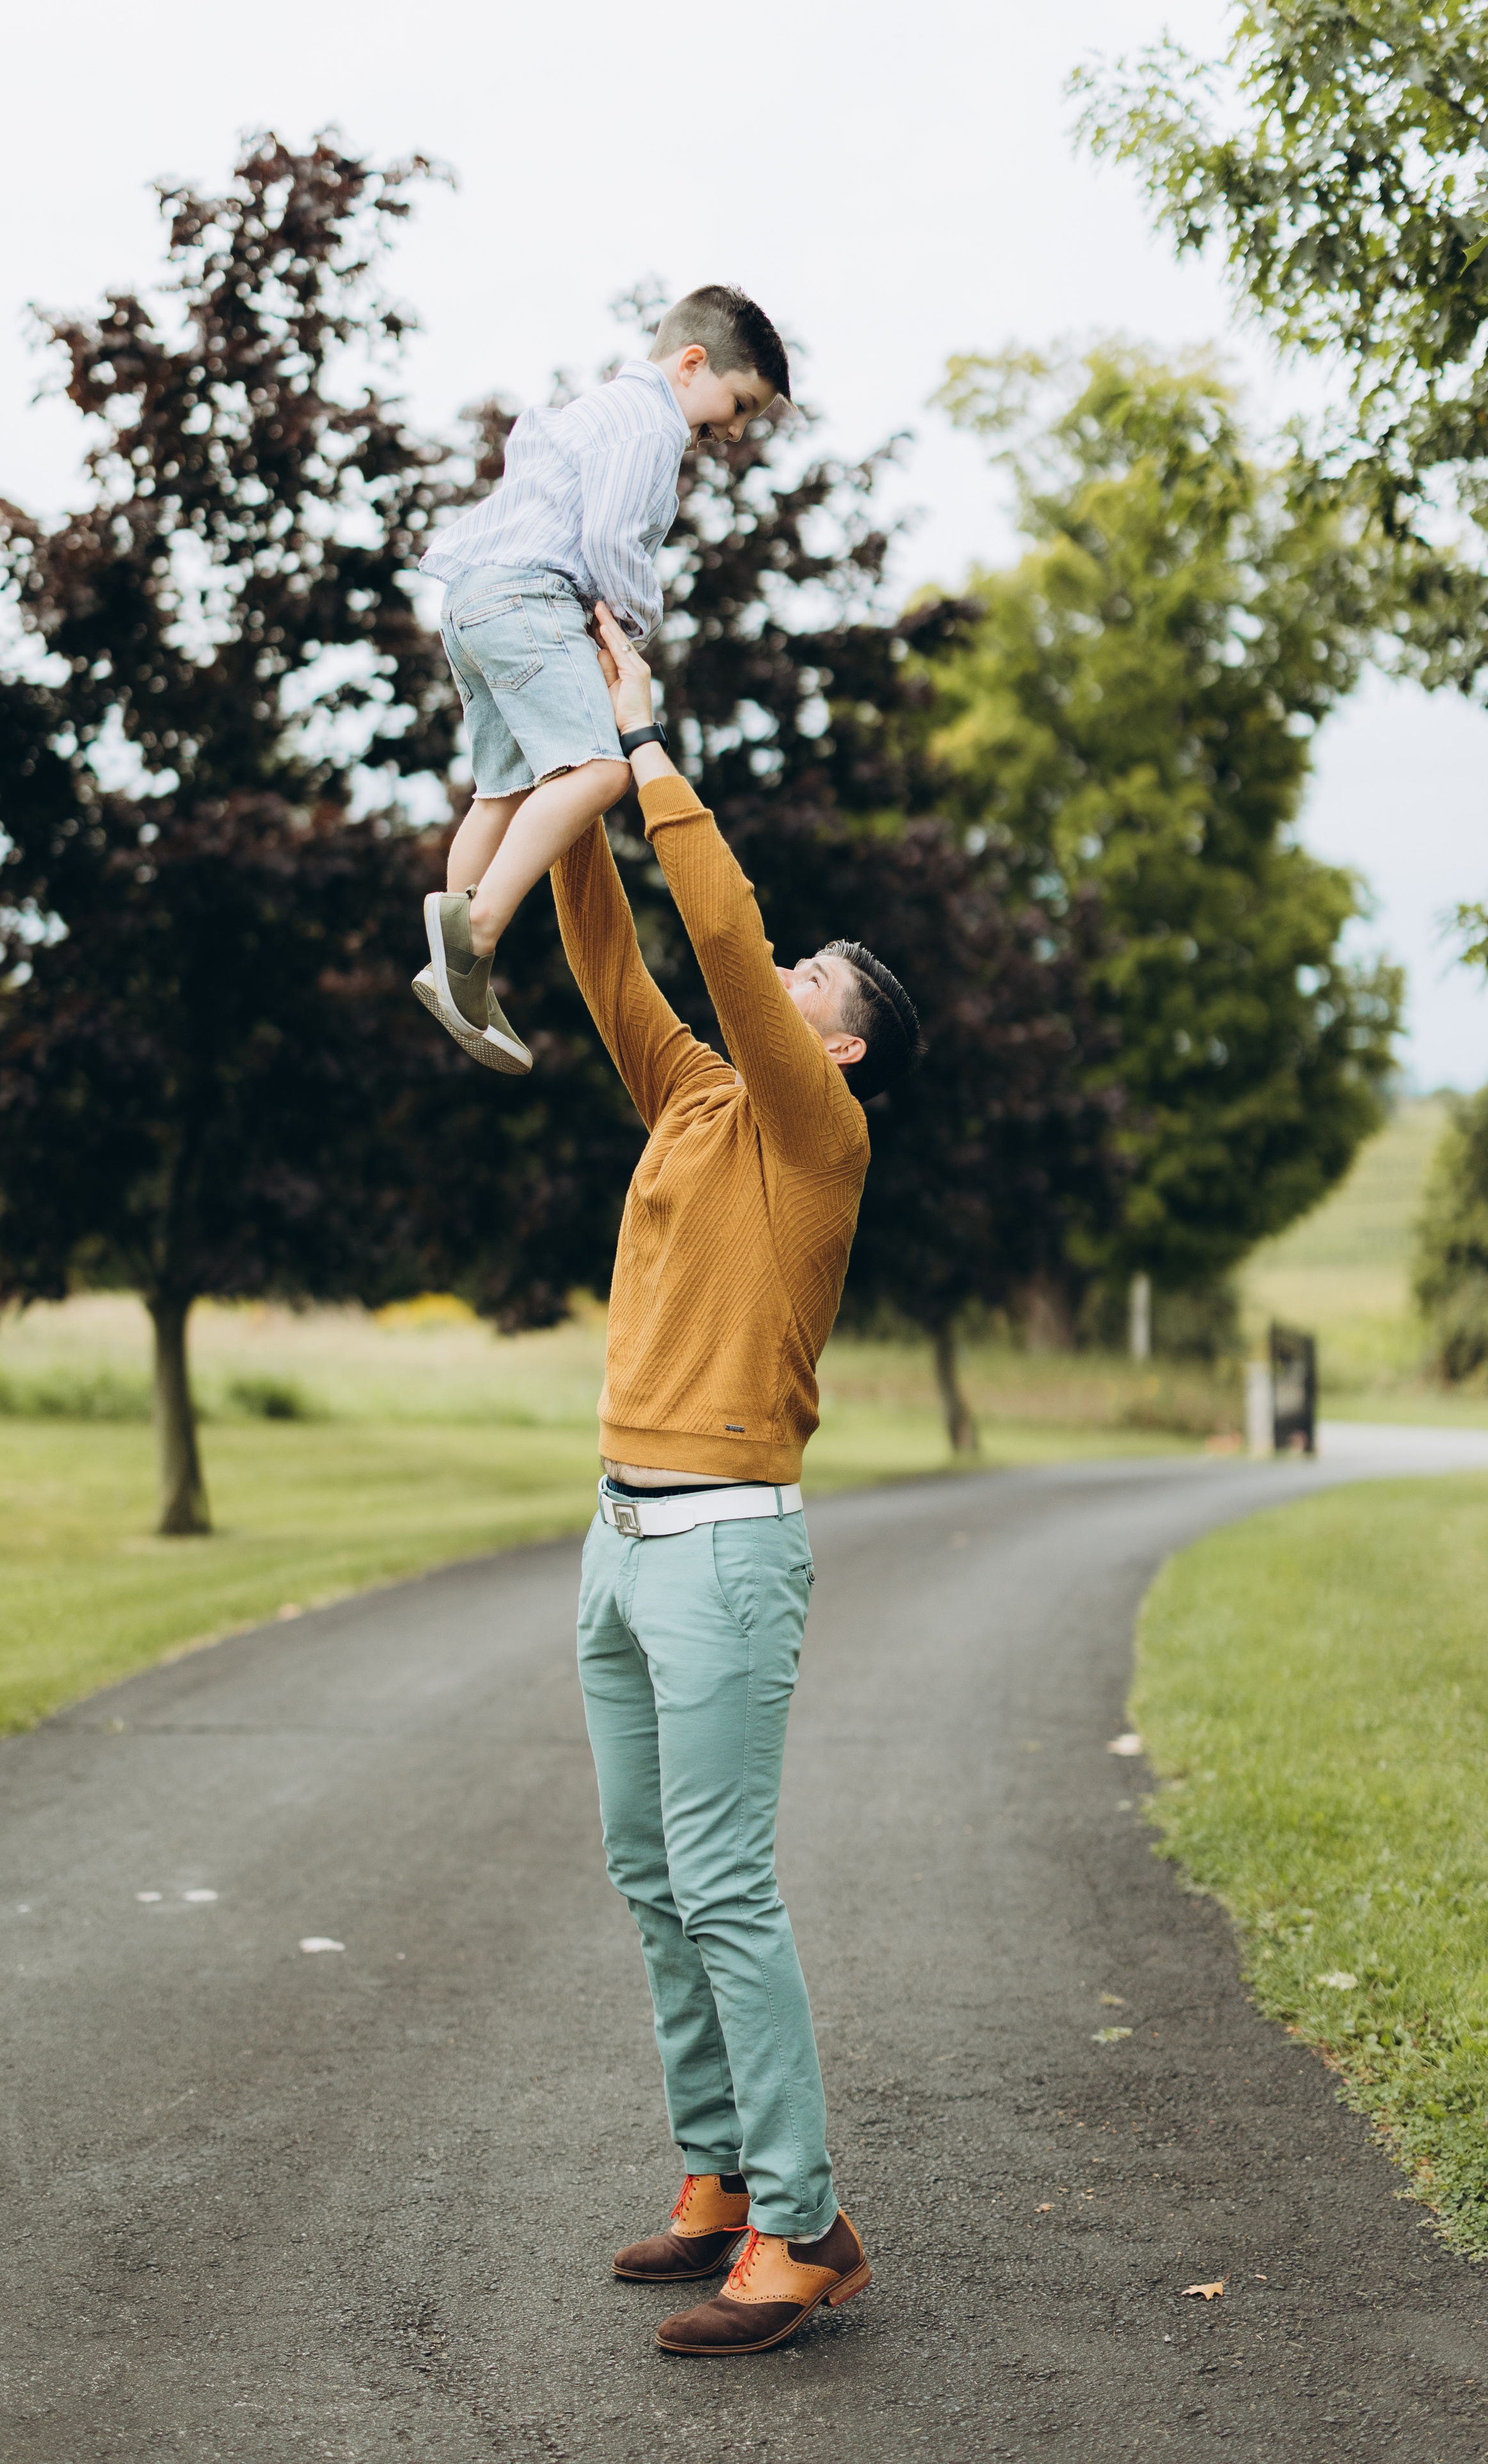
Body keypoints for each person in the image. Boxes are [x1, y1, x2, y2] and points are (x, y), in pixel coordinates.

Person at [552, 603, 923, 2357]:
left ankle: (806, 2223)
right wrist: (563, 776)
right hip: (620, 1540)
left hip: (724, 1553)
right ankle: (714, 2173)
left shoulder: (815, 1132)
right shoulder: (693, 1101)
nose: (776, 994)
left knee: (724, 1881)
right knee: (649, 1871)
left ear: (839, 1046)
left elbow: (710, 924)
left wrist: (646, 741)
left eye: (806, 992)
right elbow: (616, 952)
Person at [413, 286, 790, 1074]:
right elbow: (613, 539)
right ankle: (474, 937)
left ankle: (457, 972)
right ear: (692, 364)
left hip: (473, 604)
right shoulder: (648, 426)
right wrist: (633, 625)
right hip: (530, 597)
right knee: (599, 770)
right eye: (737, 402)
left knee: (502, 794)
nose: (732, 429)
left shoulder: (592, 410)